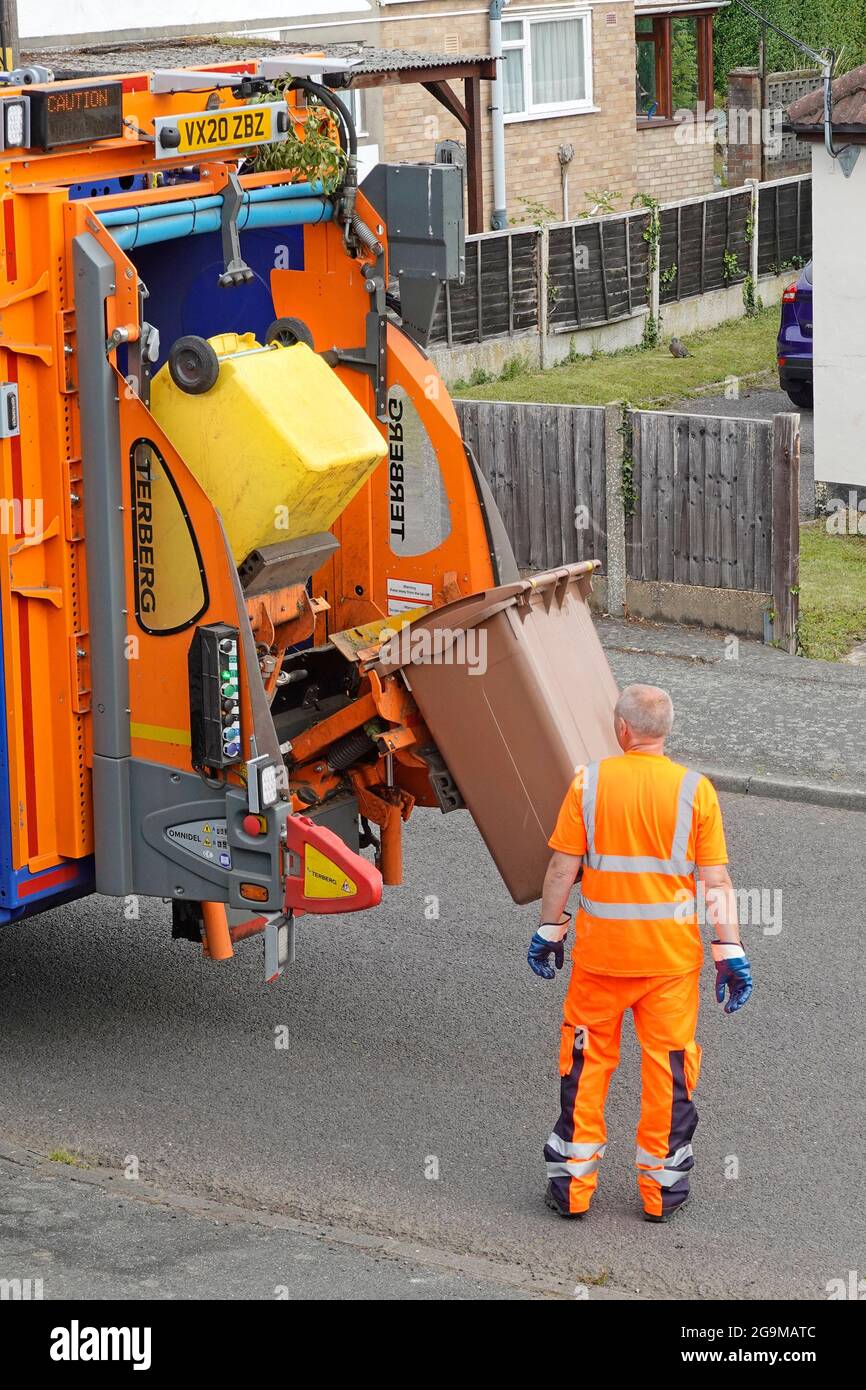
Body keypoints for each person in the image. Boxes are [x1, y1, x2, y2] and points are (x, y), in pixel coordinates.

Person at [527, 683, 752, 1223]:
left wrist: (549, 931)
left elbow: (562, 868)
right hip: (670, 967)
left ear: (621, 729)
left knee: (585, 1065)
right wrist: (729, 950)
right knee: (669, 1072)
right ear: (665, 731)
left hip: (602, 962)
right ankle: (661, 1194)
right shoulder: (695, 790)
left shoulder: (590, 783)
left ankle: (573, 1191)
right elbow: (715, 880)